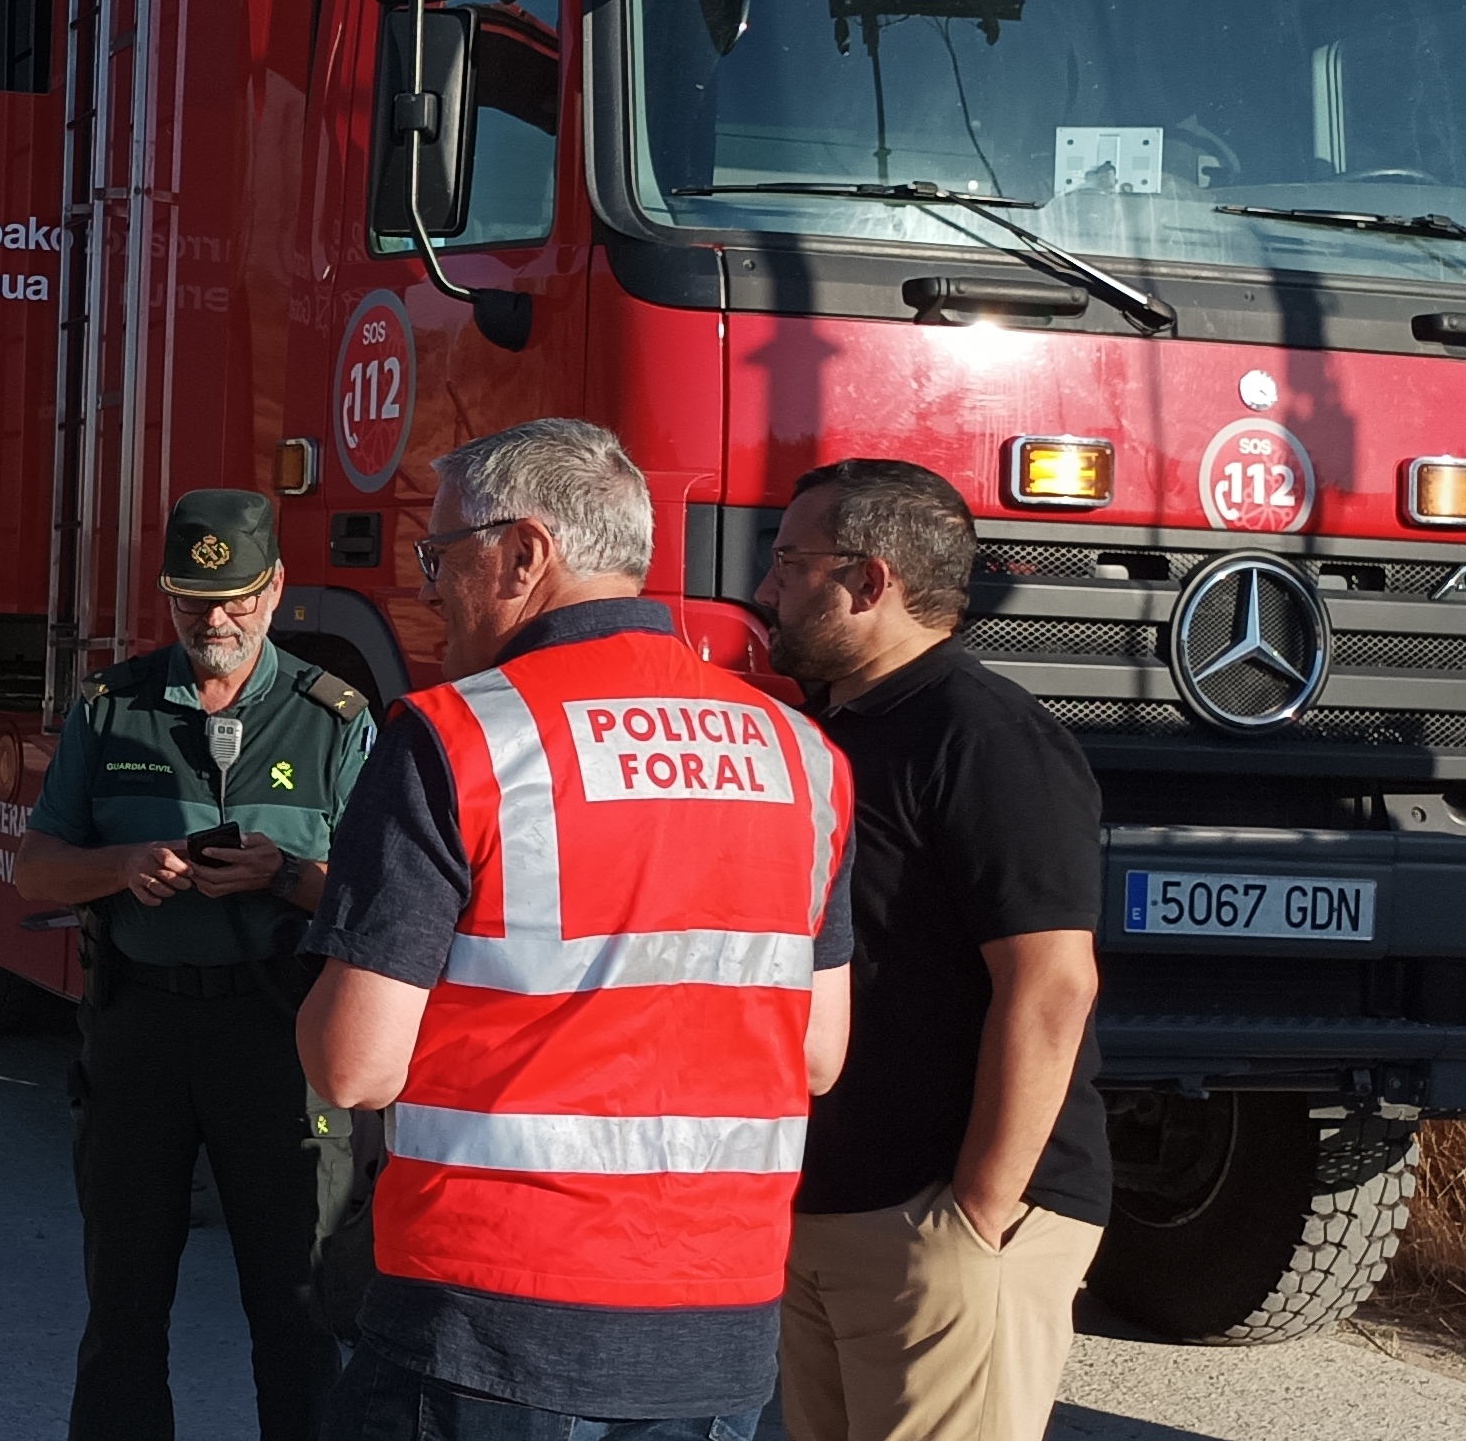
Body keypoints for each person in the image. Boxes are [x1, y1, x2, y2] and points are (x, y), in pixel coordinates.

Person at [295, 417, 857, 1441]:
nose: (428, 586)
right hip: (716, 1316)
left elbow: (353, 1066)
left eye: (441, 554)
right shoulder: (801, 754)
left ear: (524, 554)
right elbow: (817, 1054)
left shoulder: (456, 736)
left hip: (489, 1311)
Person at [13, 488, 374, 1441]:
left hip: (279, 1036)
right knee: (123, 1311)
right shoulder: (113, 708)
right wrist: (122, 866)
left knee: (297, 1311)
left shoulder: (333, 719)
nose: (214, 620)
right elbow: (34, 869)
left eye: (235, 598)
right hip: (141, 1030)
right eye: (191, 600)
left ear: (276, 587)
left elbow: (383, 903)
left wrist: (284, 874)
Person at [758, 459, 1108, 1441]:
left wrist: (977, 1211)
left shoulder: (986, 737)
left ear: (870, 581)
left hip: (942, 1221)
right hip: (827, 1208)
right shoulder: (826, 731)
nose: (766, 590)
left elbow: (1051, 983)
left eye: (788, 563)